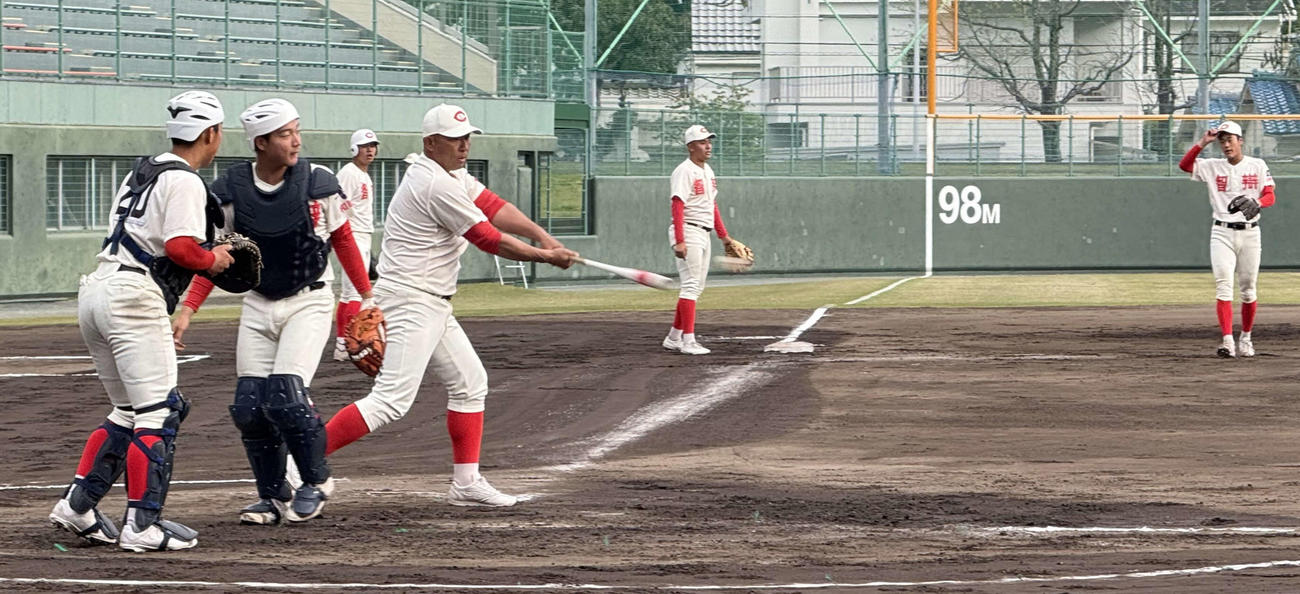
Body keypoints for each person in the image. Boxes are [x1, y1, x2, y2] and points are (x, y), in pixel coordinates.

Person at [320, 103, 577, 506]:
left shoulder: (452, 174)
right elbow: (487, 237)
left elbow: (494, 206)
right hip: (411, 299)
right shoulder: (432, 183)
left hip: (432, 302)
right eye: (455, 140)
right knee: (390, 401)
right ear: (431, 143)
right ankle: (300, 461)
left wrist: (544, 237)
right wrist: (546, 257)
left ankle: (466, 482)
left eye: (467, 138)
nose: (464, 146)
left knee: (471, 384)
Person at [172, 98, 377, 524]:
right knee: (249, 407)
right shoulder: (230, 190)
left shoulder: (316, 182)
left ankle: (316, 482)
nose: (296, 140)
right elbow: (218, 255)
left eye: (296, 130)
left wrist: (367, 296)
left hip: (309, 300)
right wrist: (188, 308)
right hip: (257, 303)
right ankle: (272, 496)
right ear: (261, 142)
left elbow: (342, 241)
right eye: (286, 134)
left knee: (287, 398)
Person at [49, 91, 234, 551]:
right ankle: (142, 525)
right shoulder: (187, 181)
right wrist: (213, 259)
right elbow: (179, 249)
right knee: (159, 412)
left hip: (97, 290)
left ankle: (77, 507)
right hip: (133, 295)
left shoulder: (143, 170)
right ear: (211, 134)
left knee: (130, 411)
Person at [1179, 120, 1276, 358]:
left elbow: (1270, 194)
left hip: (1250, 232)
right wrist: (1203, 142)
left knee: (1248, 290)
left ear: (1240, 141)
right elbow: (1185, 165)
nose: (1226, 144)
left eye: (1230, 139)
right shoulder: (1212, 166)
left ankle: (1246, 338)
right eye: (1222, 140)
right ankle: (1227, 342)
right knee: (1223, 287)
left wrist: (1258, 202)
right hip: (1221, 232)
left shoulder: (1257, 164)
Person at [662, 124, 743, 356]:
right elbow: (677, 204)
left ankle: (674, 337)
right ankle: (688, 342)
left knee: (696, 287)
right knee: (690, 285)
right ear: (690, 147)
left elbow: (711, 205)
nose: (708, 145)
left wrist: (724, 237)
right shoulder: (684, 171)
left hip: (703, 232)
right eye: (702, 142)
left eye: (709, 141)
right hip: (688, 230)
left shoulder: (708, 170)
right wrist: (679, 240)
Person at [333, 128, 381, 361]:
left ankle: (344, 342)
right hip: (354, 235)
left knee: (349, 293)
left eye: (372, 146)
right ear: (354, 149)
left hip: (363, 235)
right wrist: (346, 231)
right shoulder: (349, 173)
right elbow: (338, 200)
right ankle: (347, 343)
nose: (370, 150)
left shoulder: (363, 174)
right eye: (365, 146)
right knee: (354, 293)